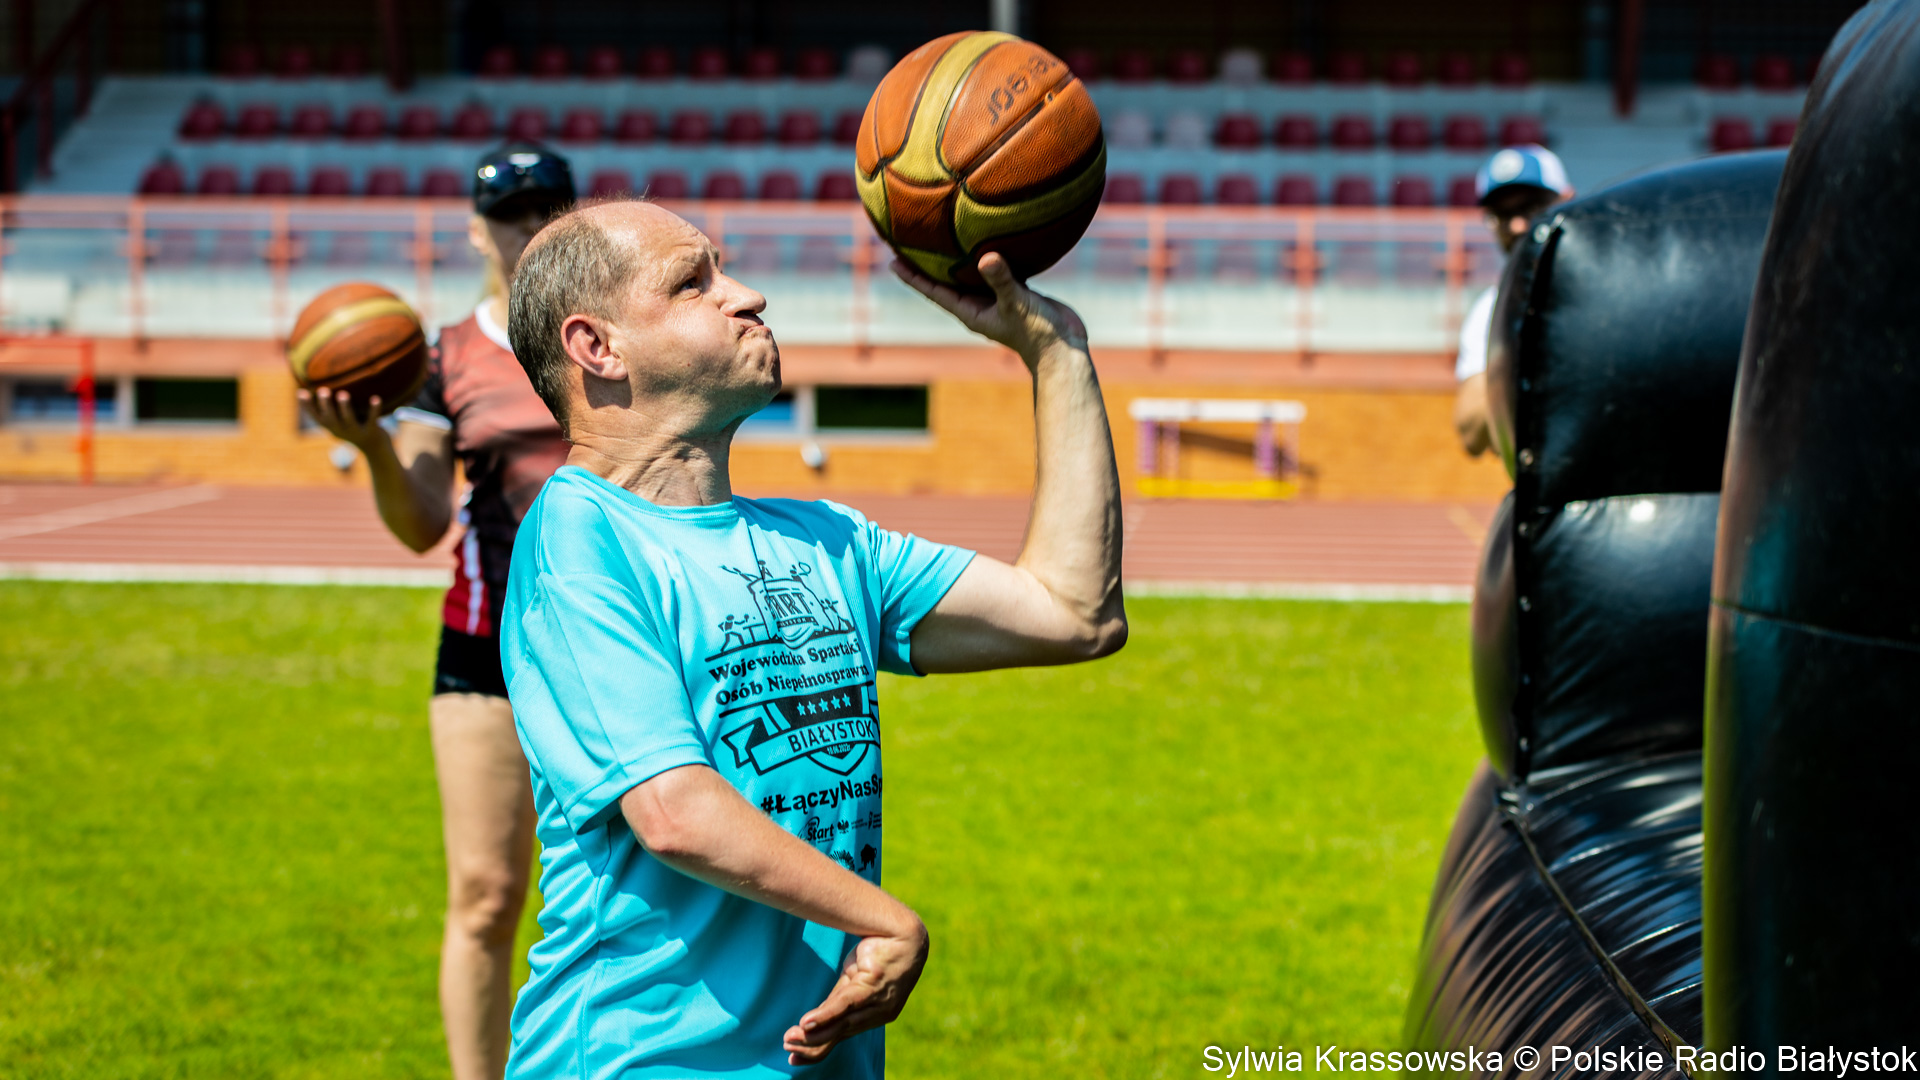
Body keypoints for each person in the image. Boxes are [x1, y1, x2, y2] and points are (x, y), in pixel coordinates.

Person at [497, 199, 1127, 1079]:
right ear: (596, 346)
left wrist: (1057, 355)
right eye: (693, 282)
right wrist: (881, 919)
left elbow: (1076, 612)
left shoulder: (826, 540)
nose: (748, 295)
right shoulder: (578, 536)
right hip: (638, 1058)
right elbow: (672, 810)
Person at [298, 141, 576, 1080]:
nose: (528, 226)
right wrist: (375, 445)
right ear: (475, 230)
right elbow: (421, 524)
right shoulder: (442, 357)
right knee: (487, 895)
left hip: (625, 644)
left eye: (546, 208)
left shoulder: (615, 341)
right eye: (509, 213)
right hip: (488, 646)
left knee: (645, 888)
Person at [1453, 144, 1574, 456]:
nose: (1517, 225)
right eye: (1502, 213)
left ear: (1567, 200)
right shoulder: (1490, 309)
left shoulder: (1610, 280)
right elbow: (1471, 430)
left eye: (1531, 207)